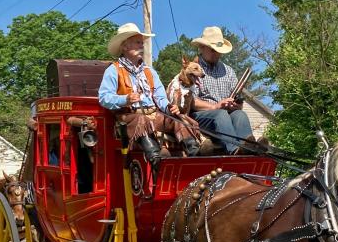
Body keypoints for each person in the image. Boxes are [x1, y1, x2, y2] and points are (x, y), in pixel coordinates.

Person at [98, 22, 199, 165]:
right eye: (137, 42)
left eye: (142, 43)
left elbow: (160, 97)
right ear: (125, 46)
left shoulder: (149, 71)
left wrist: (169, 108)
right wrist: (125, 99)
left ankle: (194, 154)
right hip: (128, 118)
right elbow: (104, 98)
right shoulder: (113, 70)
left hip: (153, 114)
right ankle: (155, 160)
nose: (142, 45)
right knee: (141, 120)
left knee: (178, 119)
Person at [189, 26, 254, 154]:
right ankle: (234, 150)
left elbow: (237, 104)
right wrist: (215, 106)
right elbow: (192, 102)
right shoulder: (193, 69)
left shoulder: (229, 71)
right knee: (220, 114)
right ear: (202, 48)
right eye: (213, 50)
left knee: (240, 114)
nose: (216, 54)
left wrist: (236, 104)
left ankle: (249, 150)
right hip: (199, 117)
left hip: (225, 116)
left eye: (218, 51)